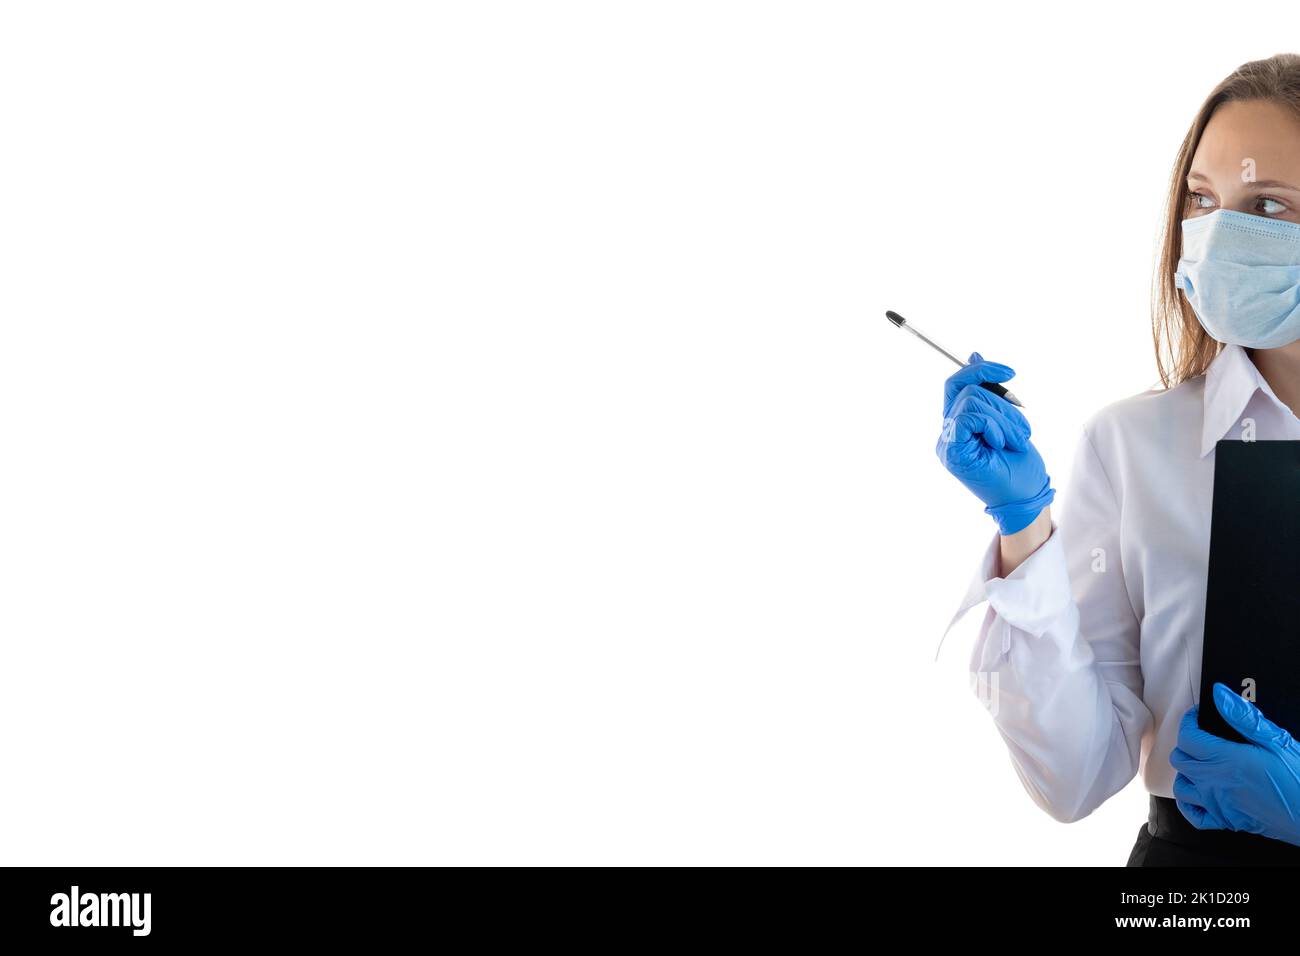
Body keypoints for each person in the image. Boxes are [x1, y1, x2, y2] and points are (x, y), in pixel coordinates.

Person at [936, 53, 1300, 866]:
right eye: (1203, 201)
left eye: (1268, 205)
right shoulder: (1136, 448)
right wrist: (1025, 526)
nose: (1218, 237)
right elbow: (1074, 778)